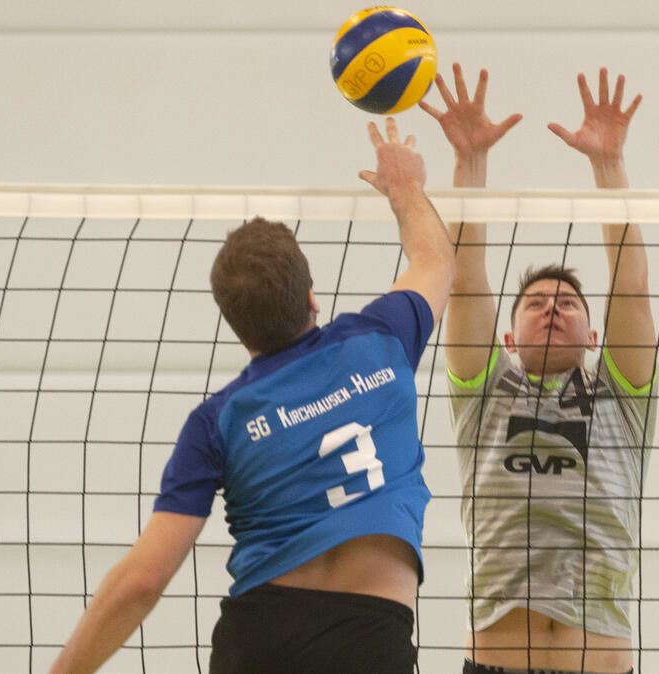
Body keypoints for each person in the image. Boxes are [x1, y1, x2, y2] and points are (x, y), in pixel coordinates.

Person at [49, 118, 455, 674]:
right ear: (311, 297)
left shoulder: (216, 421)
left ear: (235, 324)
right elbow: (435, 260)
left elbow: (142, 580)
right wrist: (404, 186)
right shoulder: (380, 339)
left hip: (258, 635)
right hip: (369, 637)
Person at [420, 64, 656, 674]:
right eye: (536, 303)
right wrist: (469, 162)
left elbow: (631, 286)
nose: (552, 308)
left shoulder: (622, 395)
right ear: (507, 337)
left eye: (569, 303)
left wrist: (609, 165)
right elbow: (464, 281)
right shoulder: (485, 390)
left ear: (595, 336)